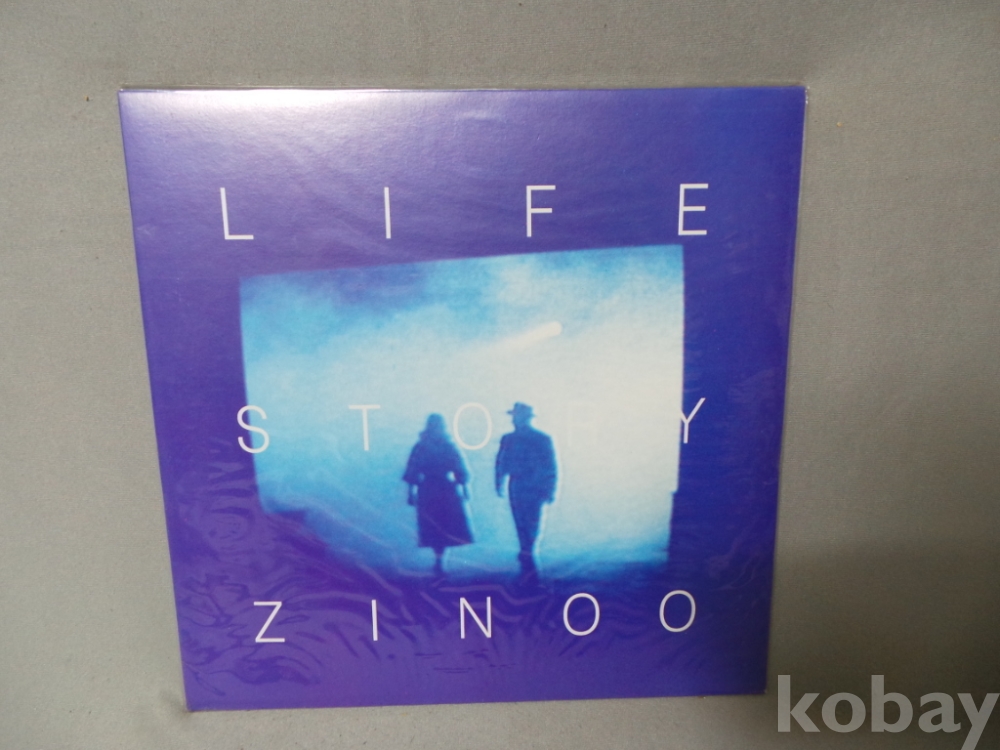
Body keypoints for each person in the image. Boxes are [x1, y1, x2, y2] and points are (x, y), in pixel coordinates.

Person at [403, 414, 473, 575]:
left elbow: (459, 467)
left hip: (442, 490)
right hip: (433, 489)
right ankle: (439, 560)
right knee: (434, 524)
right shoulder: (425, 447)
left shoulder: (445, 446)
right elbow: (413, 470)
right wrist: (411, 492)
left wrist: (464, 487)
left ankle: (440, 560)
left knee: (443, 524)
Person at [495, 403, 557, 575]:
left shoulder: (541, 439)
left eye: (516, 417)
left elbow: (550, 466)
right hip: (519, 485)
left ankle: (528, 550)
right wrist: (499, 481)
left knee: (532, 521)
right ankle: (527, 550)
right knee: (521, 520)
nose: (514, 420)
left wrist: (550, 488)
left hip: (533, 486)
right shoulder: (509, 439)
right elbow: (501, 462)